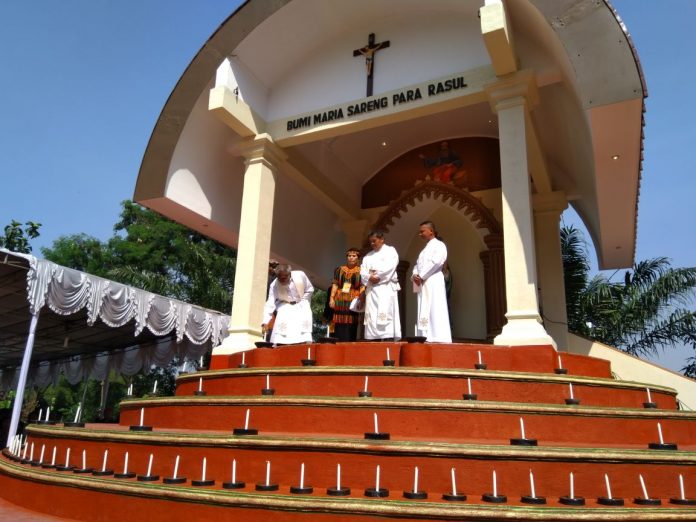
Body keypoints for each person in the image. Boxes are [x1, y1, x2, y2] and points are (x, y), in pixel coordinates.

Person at [411, 221, 452, 342]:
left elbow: (437, 262)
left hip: (433, 280)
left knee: (436, 307)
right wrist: (415, 275)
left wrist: (422, 275)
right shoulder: (424, 250)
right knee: (424, 307)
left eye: (422, 231)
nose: (420, 234)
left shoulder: (439, 245)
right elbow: (417, 265)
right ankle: (425, 335)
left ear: (431, 231)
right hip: (423, 283)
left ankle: (438, 336)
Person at [360, 230, 401, 340]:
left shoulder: (390, 251)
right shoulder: (368, 256)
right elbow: (362, 271)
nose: (372, 244)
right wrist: (369, 277)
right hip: (372, 289)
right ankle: (373, 338)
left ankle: (387, 337)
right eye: (370, 242)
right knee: (373, 315)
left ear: (382, 239)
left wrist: (377, 276)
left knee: (386, 311)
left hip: (385, 287)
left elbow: (391, 266)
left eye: (374, 241)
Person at [262, 264, 314, 345]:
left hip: (300, 304)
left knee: (303, 332)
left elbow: (310, 289)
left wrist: (304, 300)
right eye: (279, 278)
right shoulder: (274, 285)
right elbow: (270, 303)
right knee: (282, 334)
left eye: (284, 277)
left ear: (290, 274)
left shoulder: (300, 275)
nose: (282, 280)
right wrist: (265, 321)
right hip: (285, 306)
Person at [329, 247, 365, 341]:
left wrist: (362, 299)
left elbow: (362, 286)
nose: (351, 258)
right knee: (338, 322)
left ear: (358, 258)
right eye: (349, 256)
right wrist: (331, 298)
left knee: (351, 324)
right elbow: (335, 284)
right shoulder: (339, 269)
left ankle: (349, 343)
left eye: (354, 256)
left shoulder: (361, 271)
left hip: (353, 301)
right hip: (339, 300)